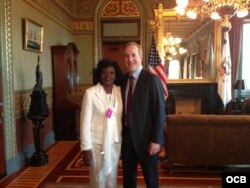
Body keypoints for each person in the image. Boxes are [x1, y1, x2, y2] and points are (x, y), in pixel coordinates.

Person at [121, 42, 166, 188]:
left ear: (140, 56)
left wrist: (156, 140)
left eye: (134, 55)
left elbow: (159, 112)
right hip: (127, 139)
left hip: (147, 141)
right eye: (127, 56)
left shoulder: (152, 80)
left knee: (151, 180)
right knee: (128, 180)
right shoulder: (121, 81)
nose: (130, 59)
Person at [79, 58, 123, 188]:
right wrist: (86, 148)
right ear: (99, 74)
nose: (108, 76)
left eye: (111, 73)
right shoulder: (90, 93)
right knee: (98, 178)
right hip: (96, 143)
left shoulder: (120, 92)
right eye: (104, 72)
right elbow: (84, 123)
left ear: (116, 75)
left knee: (111, 176)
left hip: (115, 143)